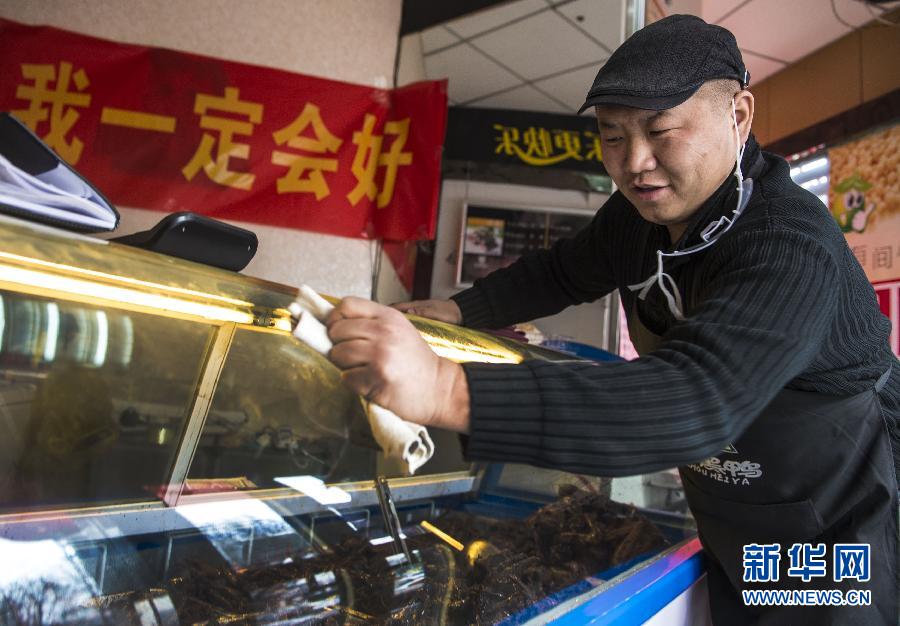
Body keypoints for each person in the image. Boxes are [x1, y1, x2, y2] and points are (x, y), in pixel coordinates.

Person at [324, 15, 899, 624]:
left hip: (842, 521)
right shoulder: (637, 218)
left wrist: (445, 387)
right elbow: (563, 270)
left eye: (660, 131)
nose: (634, 163)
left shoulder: (790, 240)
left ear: (738, 116)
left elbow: (697, 395)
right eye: (612, 136)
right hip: (736, 509)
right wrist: (459, 311)